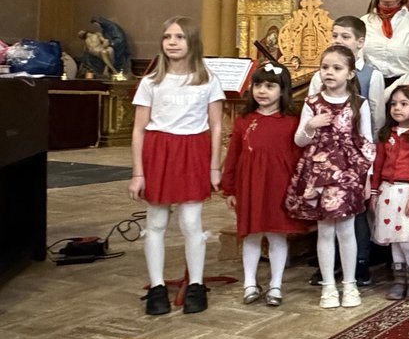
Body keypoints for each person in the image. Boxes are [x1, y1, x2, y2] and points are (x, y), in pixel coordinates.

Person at [130, 17, 225, 315]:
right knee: (156, 222)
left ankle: (196, 284)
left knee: (191, 223)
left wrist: (214, 167)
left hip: (192, 151)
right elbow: (139, 130)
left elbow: (217, 126)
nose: (172, 42)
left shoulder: (207, 80)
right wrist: (138, 172)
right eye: (167, 36)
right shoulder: (151, 82)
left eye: (180, 37)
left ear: (193, 42)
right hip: (159, 152)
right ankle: (157, 287)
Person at [286, 45, 377, 310]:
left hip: (348, 174)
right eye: (325, 67)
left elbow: (367, 142)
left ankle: (349, 284)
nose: (329, 72)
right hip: (319, 173)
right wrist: (310, 126)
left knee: (347, 230)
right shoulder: (312, 103)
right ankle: (328, 286)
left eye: (337, 68)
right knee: (325, 231)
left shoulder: (359, 104)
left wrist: (368, 178)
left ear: (349, 73)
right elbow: (299, 140)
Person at [220, 62, 305, 308]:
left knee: (277, 236)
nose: (262, 91)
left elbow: (299, 158)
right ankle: (249, 283)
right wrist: (230, 188)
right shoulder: (245, 121)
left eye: (270, 86)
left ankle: (276, 284)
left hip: (278, 186)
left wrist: (297, 191)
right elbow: (233, 156)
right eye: (258, 85)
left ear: (283, 90)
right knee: (251, 234)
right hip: (250, 187)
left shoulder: (291, 122)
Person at [369, 83, 409, 301]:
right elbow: (379, 164)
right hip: (387, 192)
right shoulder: (387, 135)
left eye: (404, 103)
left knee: (406, 240)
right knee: (393, 240)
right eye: (393, 104)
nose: (397, 108)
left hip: (407, 192)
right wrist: (374, 192)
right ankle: (399, 280)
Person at [309, 16, 386, 134]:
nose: (338, 40)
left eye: (345, 37)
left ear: (360, 42)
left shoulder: (373, 76)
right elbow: (311, 111)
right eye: (334, 36)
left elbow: (377, 118)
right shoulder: (319, 76)